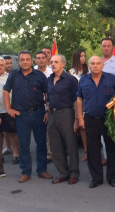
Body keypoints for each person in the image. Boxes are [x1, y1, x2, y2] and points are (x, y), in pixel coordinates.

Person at [3, 50, 53, 183]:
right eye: (22, 60)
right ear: (18, 61)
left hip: (39, 113)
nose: (25, 62)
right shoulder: (14, 75)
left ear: (32, 61)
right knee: (24, 145)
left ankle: (42, 170)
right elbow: (6, 91)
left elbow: (47, 93)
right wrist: (8, 109)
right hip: (21, 115)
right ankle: (26, 172)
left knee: (41, 143)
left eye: (27, 59)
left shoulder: (40, 75)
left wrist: (47, 111)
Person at [76, 56, 115, 188]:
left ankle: (112, 177)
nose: (95, 66)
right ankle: (96, 178)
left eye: (98, 63)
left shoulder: (111, 79)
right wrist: (80, 118)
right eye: (92, 64)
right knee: (93, 150)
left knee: (112, 148)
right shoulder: (83, 80)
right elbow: (79, 99)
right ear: (88, 66)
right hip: (90, 119)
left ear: (102, 65)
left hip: (108, 119)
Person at [47, 54, 79, 185]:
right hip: (52, 114)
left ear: (63, 64)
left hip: (66, 112)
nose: (53, 64)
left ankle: (74, 173)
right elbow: (47, 95)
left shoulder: (71, 80)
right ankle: (63, 172)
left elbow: (76, 99)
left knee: (70, 144)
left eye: (56, 62)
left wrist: (77, 118)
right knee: (56, 145)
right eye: (52, 62)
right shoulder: (49, 79)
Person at [69, 49, 89, 162]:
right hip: (77, 100)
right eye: (81, 56)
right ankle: (86, 151)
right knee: (82, 127)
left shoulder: (89, 70)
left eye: (84, 56)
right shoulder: (71, 71)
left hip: (89, 99)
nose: (83, 58)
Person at [34, 51, 53, 163]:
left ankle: (51, 154)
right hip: (36, 106)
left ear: (46, 59)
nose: (41, 60)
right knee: (40, 133)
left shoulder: (52, 71)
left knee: (50, 132)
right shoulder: (32, 72)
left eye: (43, 58)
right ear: (35, 60)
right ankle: (43, 153)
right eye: (38, 58)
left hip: (50, 105)